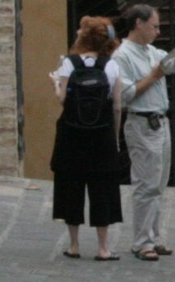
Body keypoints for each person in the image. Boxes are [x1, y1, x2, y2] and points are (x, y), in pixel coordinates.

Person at [107, 3, 175, 261]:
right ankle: (142, 242)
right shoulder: (122, 55)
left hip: (160, 122)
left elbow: (172, 65)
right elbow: (125, 95)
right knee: (145, 184)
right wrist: (155, 75)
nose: (158, 31)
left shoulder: (150, 51)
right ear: (139, 23)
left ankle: (155, 237)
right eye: (155, 26)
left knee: (158, 184)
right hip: (141, 123)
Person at [48, 16, 129, 260]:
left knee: (71, 185)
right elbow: (117, 106)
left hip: (72, 135)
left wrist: (55, 83)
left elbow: (62, 99)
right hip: (101, 136)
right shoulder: (111, 67)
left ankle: (74, 245)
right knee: (102, 188)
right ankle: (103, 247)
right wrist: (114, 137)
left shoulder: (68, 64)